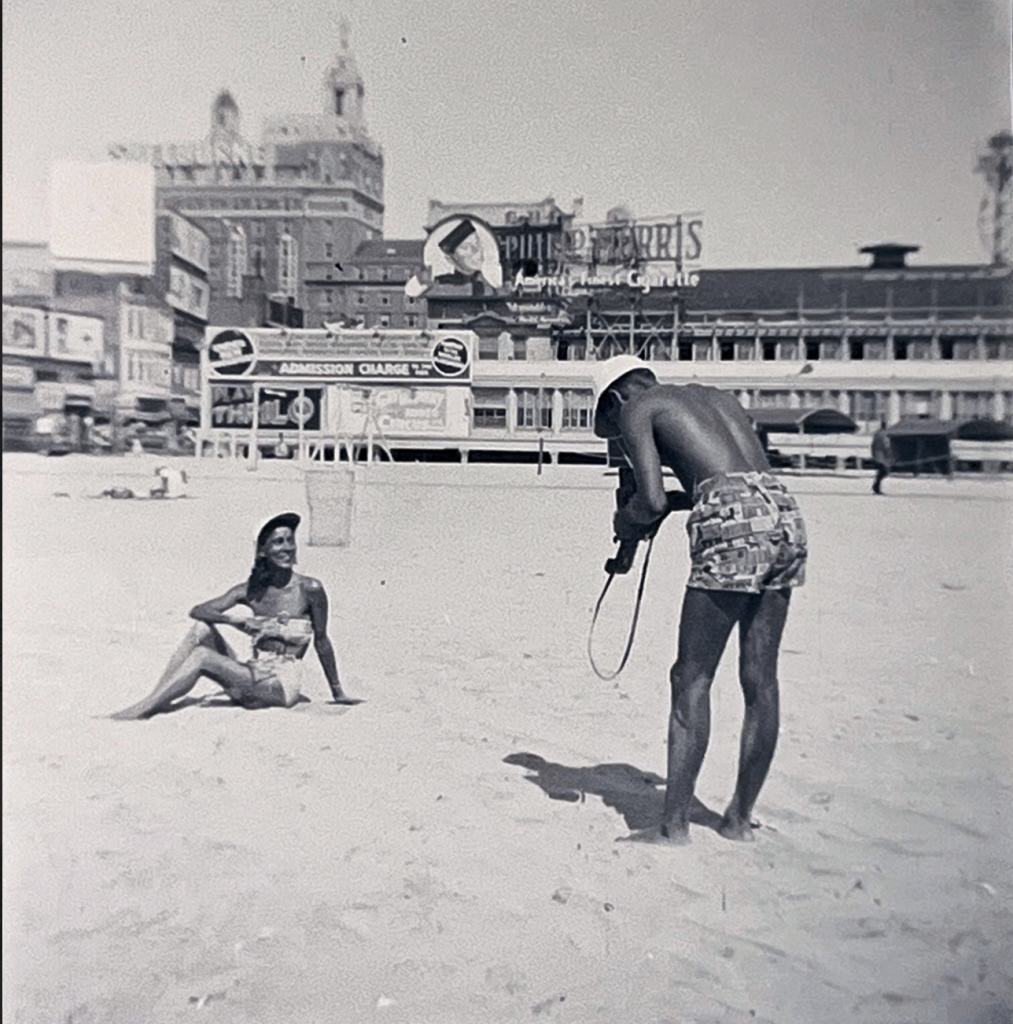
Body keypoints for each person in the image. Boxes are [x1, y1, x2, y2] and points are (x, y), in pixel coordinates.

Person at [591, 356, 807, 844]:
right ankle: (737, 820)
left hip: (730, 524)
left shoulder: (637, 407)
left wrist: (626, 524)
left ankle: (672, 827)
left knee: (691, 676)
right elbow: (725, 481)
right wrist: (633, 540)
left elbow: (651, 503)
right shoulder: (716, 398)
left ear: (615, 399)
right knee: (760, 680)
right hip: (783, 511)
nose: (620, 435)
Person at [111, 512, 361, 719]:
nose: (287, 548)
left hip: (281, 685)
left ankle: (143, 709)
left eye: (289, 540)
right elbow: (199, 610)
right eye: (278, 542)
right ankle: (154, 699)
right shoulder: (251, 591)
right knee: (201, 630)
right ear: (262, 551)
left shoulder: (309, 589)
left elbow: (322, 641)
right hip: (251, 677)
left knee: (202, 656)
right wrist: (236, 620)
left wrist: (337, 692)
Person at [871, 421, 892, 494]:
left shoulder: (877, 434)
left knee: (881, 471)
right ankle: (876, 486)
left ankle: (876, 486)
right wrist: (889, 454)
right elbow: (886, 445)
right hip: (882, 455)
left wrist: (873, 453)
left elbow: (873, 445)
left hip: (877, 454)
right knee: (884, 471)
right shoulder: (884, 435)